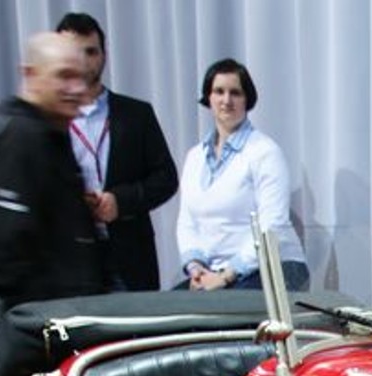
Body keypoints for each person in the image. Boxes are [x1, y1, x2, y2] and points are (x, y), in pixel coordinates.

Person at [0, 32, 107, 334]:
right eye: (64, 76)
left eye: (81, 78)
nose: (76, 89)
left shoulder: (50, 134)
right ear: (30, 75)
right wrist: (40, 320)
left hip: (61, 320)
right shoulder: (20, 138)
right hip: (34, 328)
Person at [55, 12, 178, 291]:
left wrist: (120, 202)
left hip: (129, 254)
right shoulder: (49, 120)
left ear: (104, 54)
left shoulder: (135, 114)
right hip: (70, 260)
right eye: (75, 53)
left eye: (91, 51)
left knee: (139, 333)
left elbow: (165, 178)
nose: (85, 62)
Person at [176, 59, 308, 291]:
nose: (226, 100)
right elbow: (187, 222)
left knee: (222, 312)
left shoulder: (265, 152)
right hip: (215, 272)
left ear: (247, 100)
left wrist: (227, 275)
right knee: (168, 313)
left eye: (235, 93)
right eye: (219, 91)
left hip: (272, 267)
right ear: (208, 97)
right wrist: (196, 268)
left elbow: (272, 225)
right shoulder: (194, 157)